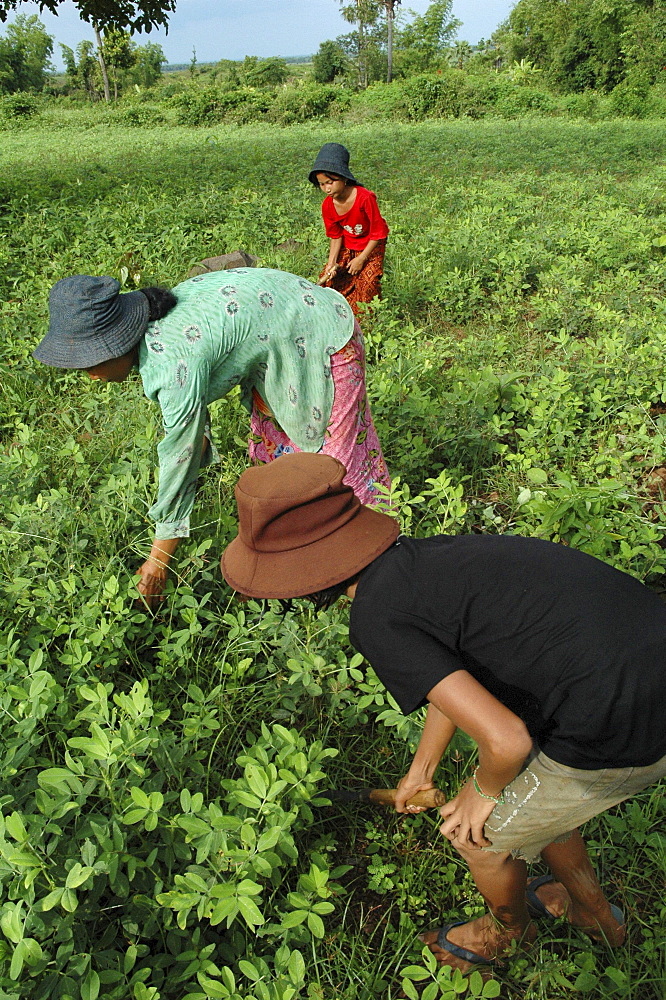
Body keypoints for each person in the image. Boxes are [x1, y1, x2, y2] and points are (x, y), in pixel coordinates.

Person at [221, 452, 666, 972]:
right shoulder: (421, 562)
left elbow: (507, 741)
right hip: (644, 661)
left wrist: (481, 791)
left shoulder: (376, 618)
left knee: (477, 839)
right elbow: (456, 681)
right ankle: (595, 915)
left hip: (625, 717)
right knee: (531, 795)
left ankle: (507, 931)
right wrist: (422, 770)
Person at [33, 269, 390, 609]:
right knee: (279, 465)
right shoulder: (158, 334)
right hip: (277, 341)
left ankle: (377, 577)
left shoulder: (171, 363)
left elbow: (184, 455)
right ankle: (282, 571)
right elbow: (195, 440)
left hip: (319, 335)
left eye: (88, 363)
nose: (90, 376)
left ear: (116, 344)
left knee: (337, 469)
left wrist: (159, 561)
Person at [309, 143, 389, 316]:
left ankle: (367, 322)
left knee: (367, 285)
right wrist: (332, 263)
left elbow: (378, 232)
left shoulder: (364, 198)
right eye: (322, 184)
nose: (326, 188)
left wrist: (361, 259)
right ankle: (337, 316)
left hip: (371, 245)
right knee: (330, 281)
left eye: (330, 182)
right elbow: (336, 236)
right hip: (347, 244)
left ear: (343, 178)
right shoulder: (328, 205)